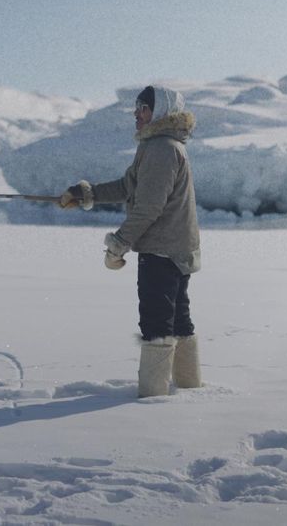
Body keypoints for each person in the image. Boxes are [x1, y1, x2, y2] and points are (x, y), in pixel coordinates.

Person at [58, 85, 202, 397]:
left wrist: (119, 242)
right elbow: (129, 186)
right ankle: (190, 389)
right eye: (137, 106)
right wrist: (88, 194)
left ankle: (153, 399)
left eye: (144, 107)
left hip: (162, 251)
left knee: (157, 325)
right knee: (177, 319)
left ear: (161, 111)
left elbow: (149, 206)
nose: (137, 113)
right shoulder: (160, 145)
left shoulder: (162, 149)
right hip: (176, 248)